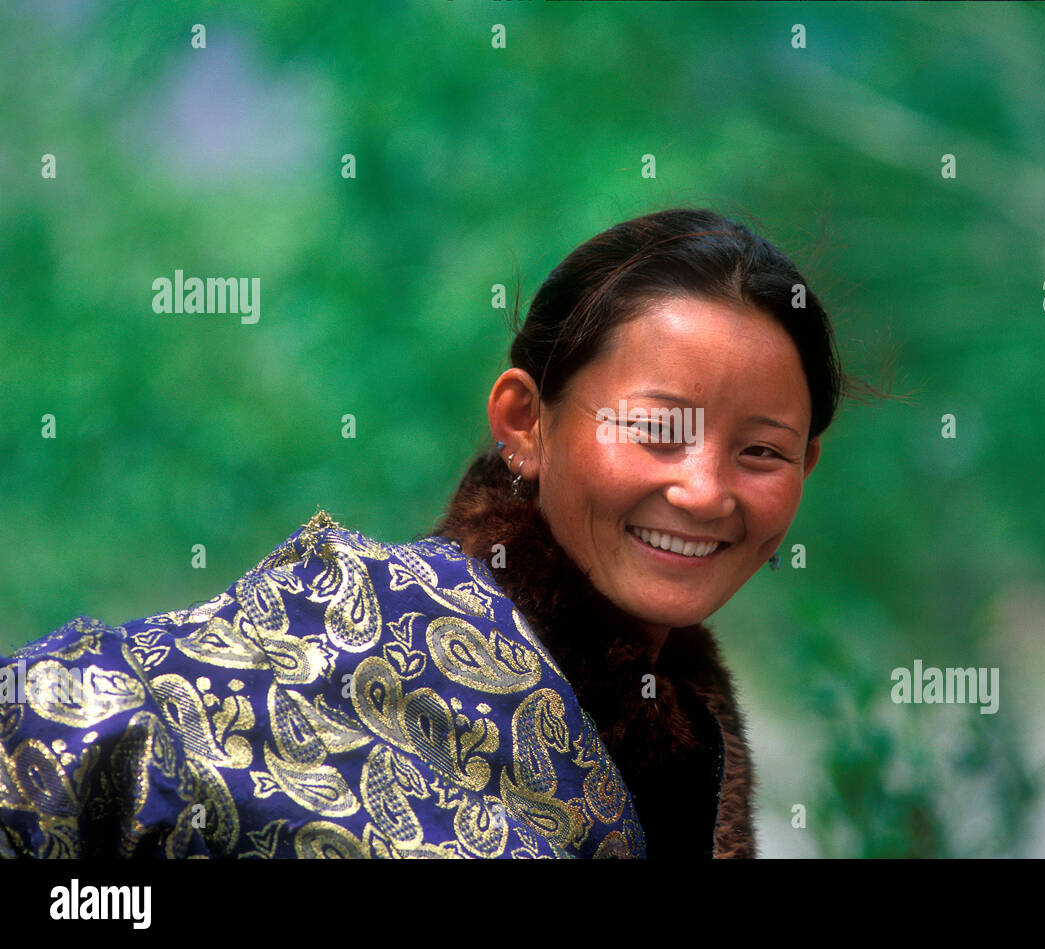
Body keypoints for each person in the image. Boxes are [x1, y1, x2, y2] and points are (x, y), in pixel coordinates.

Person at [0, 207, 848, 859]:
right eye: (657, 430)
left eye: (760, 452)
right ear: (526, 422)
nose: (704, 491)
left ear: (808, 470)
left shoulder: (690, 741)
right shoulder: (347, 628)